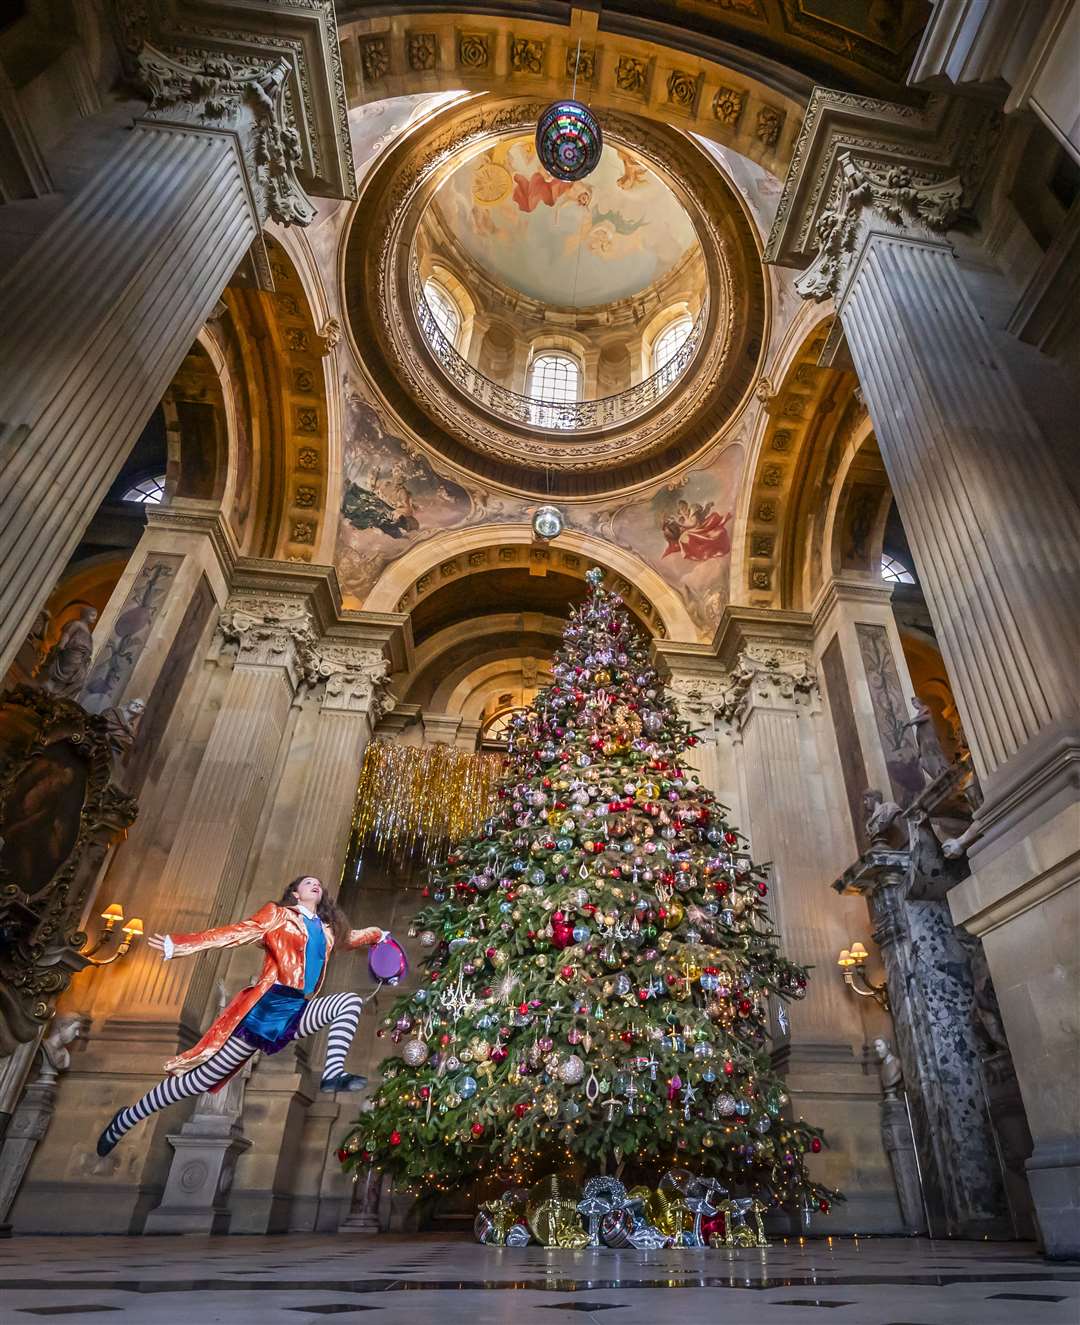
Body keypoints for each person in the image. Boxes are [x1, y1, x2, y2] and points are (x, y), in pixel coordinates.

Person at [96, 875, 389, 1156]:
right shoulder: (277, 915)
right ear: (295, 893)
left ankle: (333, 1073)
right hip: (268, 1007)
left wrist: (378, 935)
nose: (315, 884)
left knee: (348, 1002)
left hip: (298, 1008)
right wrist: (180, 944)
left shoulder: (327, 928)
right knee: (201, 1079)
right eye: (307, 881)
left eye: (319, 883)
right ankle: (127, 1118)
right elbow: (236, 932)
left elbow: (351, 938)